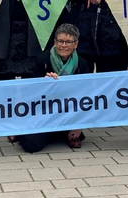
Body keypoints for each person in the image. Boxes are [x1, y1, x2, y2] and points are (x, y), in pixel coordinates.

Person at [18, 24, 93, 153]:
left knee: (74, 135)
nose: (63, 45)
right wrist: (44, 83)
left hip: (69, 112)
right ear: (55, 42)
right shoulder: (43, 60)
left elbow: (86, 96)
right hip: (45, 112)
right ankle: (23, 132)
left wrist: (81, 125)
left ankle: (60, 133)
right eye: (60, 41)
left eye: (68, 42)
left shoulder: (82, 64)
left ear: (76, 44)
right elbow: (31, 92)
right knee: (32, 146)